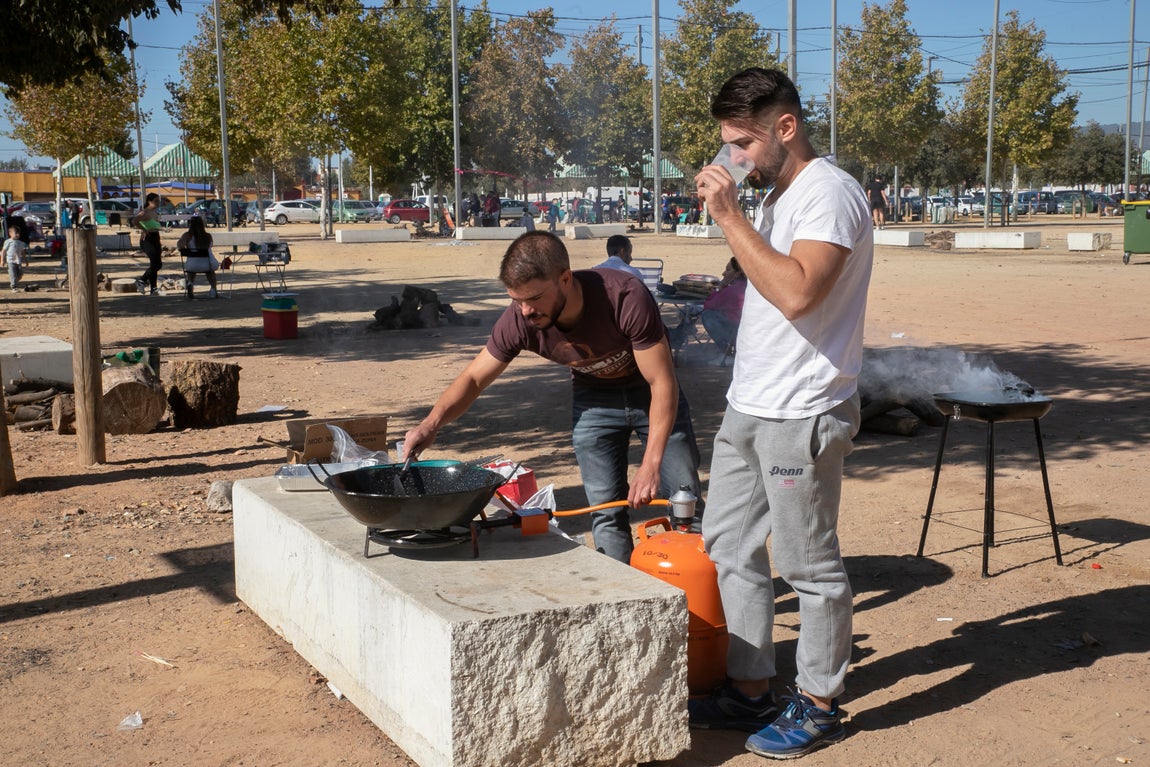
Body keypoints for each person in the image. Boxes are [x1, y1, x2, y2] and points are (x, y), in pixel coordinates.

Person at [688, 67, 873, 760]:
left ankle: (820, 700)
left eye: (742, 142)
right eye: (728, 144)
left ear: (785, 127)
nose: (734, 155)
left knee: (808, 562)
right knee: (728, 543)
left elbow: (799, 294)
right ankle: (751, 684)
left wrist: (732, 215)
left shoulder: (830, 193)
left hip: (803, 410)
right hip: (750, 403)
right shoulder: (777, 197)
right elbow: (763, 288)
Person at [402, 231, 704, 563]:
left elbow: (662, 382)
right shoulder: (520, 319)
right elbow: (474, 378)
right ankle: (626, 595)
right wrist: (431, 424)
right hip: (594, 402)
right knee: (605, 511)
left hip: (652, 396)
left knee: (684, 500)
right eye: (517, 299)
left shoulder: (624, 296)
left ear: (565, 278)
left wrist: (650, 463)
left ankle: (700, 596)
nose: (526, 310)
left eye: (534, 298)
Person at [699, 257, 747, 351]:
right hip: (747, 329)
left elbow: (709, 305)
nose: (724, 273)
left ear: (737, 273)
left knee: (707, 315)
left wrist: (719, 288)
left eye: (728, 270)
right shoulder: (747, 286)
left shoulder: (732, 290)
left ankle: (726, 350)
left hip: (736, 332)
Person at [177, 215, 220, 299]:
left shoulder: (187, 235)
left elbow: (180, 246)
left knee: (192, 270)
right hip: (208, 263)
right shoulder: (208, 236)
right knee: (210, 271)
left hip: (192, 265)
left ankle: (190, 283)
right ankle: (213, 289)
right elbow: (211, 246)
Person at [130, 193, 163, 295]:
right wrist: (143, 229)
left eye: (158, 201)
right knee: (156, 263)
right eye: (156, 201)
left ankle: (153, 287)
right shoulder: (145, 212)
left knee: (156, 263)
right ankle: (142, 280)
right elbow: (134, 221)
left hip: (155, 237)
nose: (158, 203)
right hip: (147, 239)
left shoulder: (154, 212)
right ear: (150, 201)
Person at [3, 223, 29, 292]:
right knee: (13, 274)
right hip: (10, 261)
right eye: (16, 233)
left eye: (18, 233)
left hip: (18, 261)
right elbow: (3, 251)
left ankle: (14, 280)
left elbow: (23, 252)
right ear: (10, 234)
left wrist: (26, 260)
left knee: (20, 274)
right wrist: (2, 260)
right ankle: (13, 287)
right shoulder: (8, 242)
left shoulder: (20, 243)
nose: (17, 234)